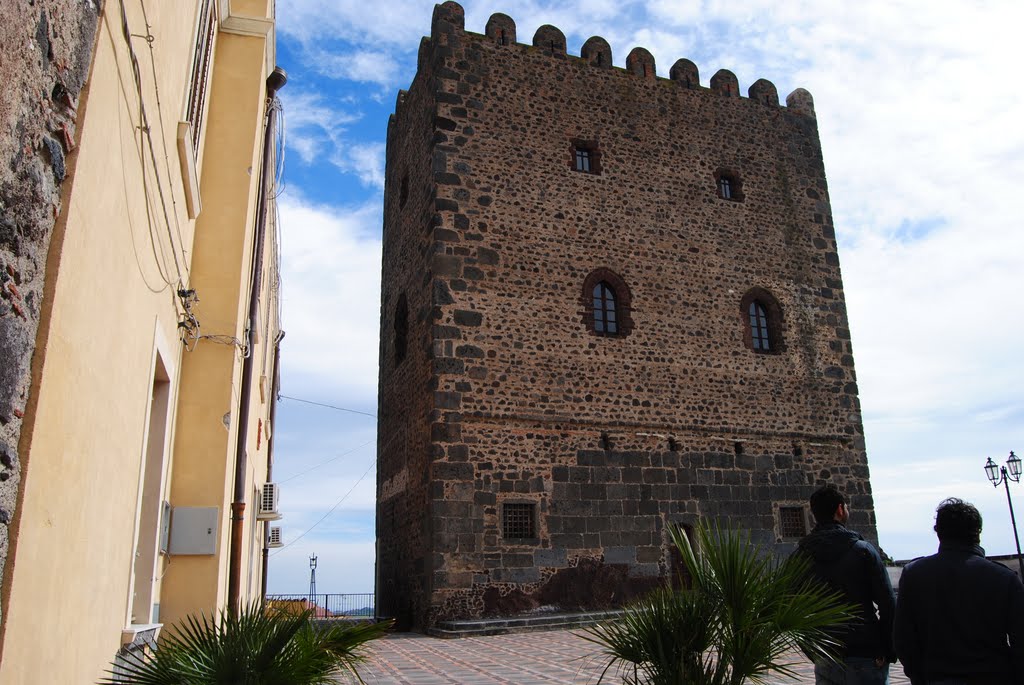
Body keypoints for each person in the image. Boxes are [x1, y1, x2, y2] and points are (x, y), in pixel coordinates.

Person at [894, 497, 1024, 684]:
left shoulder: (914, 574)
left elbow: (903, 638)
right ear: (977, 532)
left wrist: (919, 676)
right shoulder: (1004, 578)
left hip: (935, 677)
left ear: (938, 532)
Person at [796, 485, 896, 684]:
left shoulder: (800, 556)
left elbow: (787, 606)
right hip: (865, 652)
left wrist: (813, 650)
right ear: (840, 510)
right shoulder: (863, 551)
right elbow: (887, 604)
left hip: (825, 653)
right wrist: (886, 649)